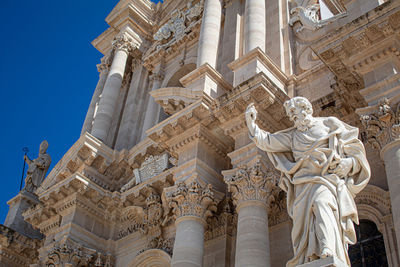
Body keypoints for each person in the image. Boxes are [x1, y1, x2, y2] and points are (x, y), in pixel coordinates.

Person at [245, 97, 370, 266]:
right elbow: (268, 141)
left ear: (306, 109)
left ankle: (327, 249)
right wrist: (252, 125)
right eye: (291, 116)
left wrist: (350, 163)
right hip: (302, 186)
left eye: (295, 113)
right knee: (304, 225)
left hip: (326, 181)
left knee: (321, 203)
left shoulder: (329, 124)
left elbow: (354, 148)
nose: (293, 118)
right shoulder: (292, 136)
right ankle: (311, 254)